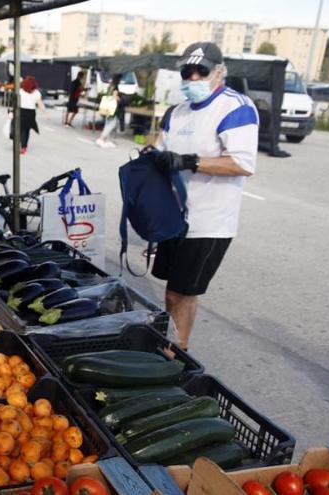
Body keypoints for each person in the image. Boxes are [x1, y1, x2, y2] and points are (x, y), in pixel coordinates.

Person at [148, 42, 258, 350]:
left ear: (219, 72)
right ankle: (170, 345)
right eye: (187, 71)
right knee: (171, 291)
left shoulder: (236, 108)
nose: (193, 76)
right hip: (174, 218)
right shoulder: (178, 111)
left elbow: (242, 163)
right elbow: (161, 149)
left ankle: (177, 352)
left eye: (201, 70)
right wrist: (152, 158)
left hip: (210, 221)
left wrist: (189, 161)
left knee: (183, 292)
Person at [16, 76, 47, 154]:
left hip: (21, 111)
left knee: (21, 129)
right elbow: (40, 104)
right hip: (31, 113)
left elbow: (16, 103)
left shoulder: (20, 91)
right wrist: (45, 113)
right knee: (27, 130)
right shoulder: (37, 93)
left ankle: (22, 145)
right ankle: (24, 146)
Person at [96, 74, 123, 148]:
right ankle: (101, 139)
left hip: (107, 107)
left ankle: (106, 140)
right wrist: (119, 98)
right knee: (112, 124)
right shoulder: (115, 87)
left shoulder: (110, 86)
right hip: (112, 108)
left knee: (107, 123)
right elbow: (115, 97)